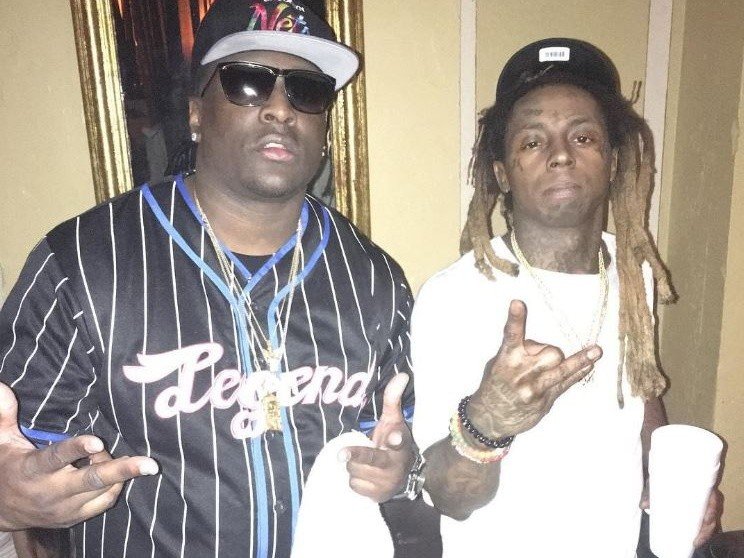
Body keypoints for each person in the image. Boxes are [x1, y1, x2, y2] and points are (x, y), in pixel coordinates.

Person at [0, 1, 418, 556]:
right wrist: (8, 498)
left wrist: (399, 469)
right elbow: (22, 457)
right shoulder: (82, 261)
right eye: (248, 82)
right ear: (197, 114)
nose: (280, 109)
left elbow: (393, 442)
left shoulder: (373, 279)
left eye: (307, 91)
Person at [412, 38, 722, 557]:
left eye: (583, 136)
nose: (560, 155)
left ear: (613, 160)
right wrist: (486, 423)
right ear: (501, 172)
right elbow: (448, 498)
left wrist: (664, 472)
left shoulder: (634, 272)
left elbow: (640, 390)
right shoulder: (455, 296)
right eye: (533, 141)